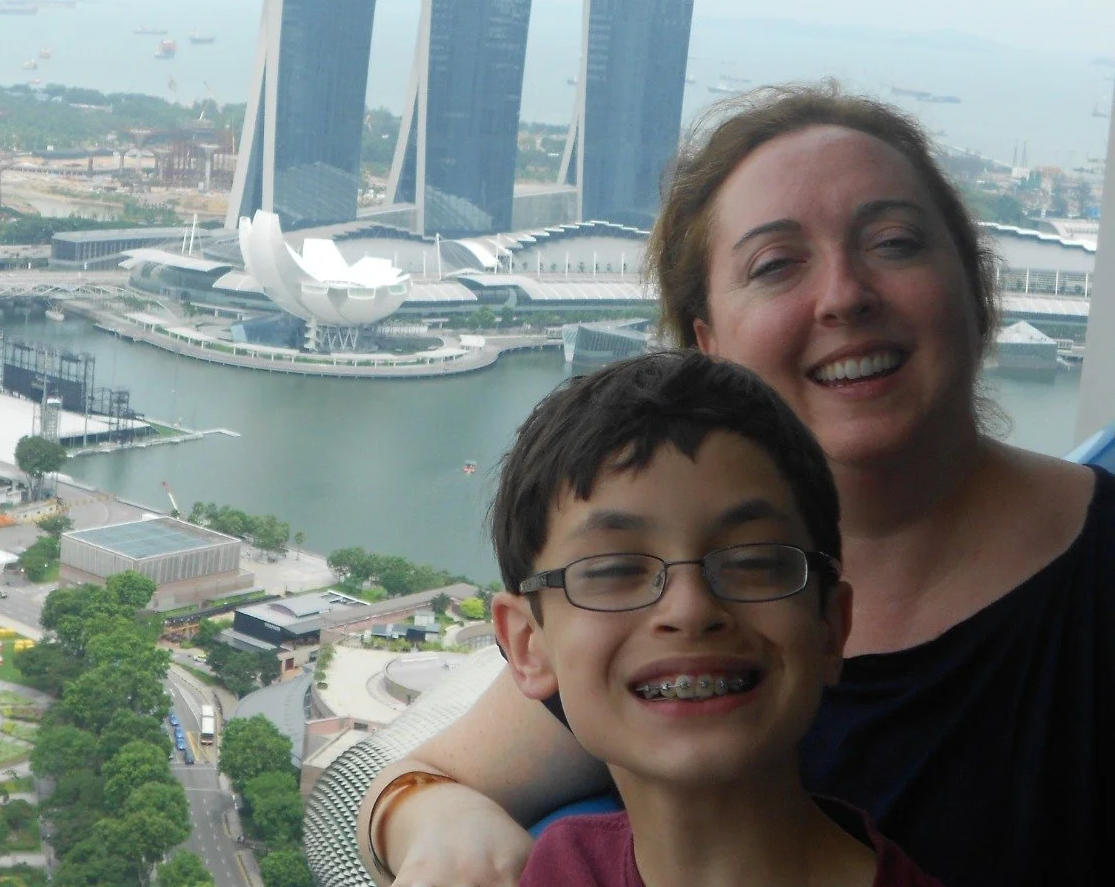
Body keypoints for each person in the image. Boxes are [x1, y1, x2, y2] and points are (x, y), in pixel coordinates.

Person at [357, 84, 1112, 887]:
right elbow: (428, 778)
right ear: (705, 349)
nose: (845, 295)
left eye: (893, 243)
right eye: (777, 264)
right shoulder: (664, 610)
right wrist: (436, 816)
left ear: (973, 288)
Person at [480, 350, 939, 886]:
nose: (690, 609)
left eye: (754, 562)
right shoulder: (564, 868)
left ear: (831, 627)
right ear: (526, 644)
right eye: (614, 570)